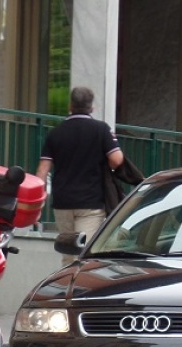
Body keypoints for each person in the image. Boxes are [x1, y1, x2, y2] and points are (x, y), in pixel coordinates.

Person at [36, 86, 126, 243]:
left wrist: (37, 204)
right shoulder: (101, 130)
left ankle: (68, 268)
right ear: (91, 107)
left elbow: (42, 171)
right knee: (84, 251)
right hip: (90, 203)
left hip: (62, 201)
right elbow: (117, 160)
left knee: (68, 251)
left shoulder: (55, 133)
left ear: (70, 107)